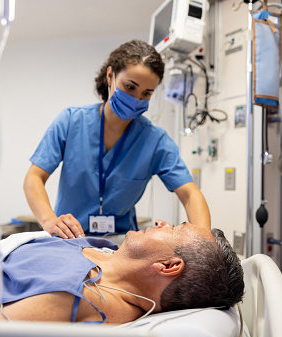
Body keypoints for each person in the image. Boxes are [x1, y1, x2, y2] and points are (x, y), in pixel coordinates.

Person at [23, 40, 211, 239]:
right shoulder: (71, 121)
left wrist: (204, 243)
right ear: (111, 76)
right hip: (69, 238)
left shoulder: (155, 141)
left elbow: (190, 194)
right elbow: (34, 178)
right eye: (130, 87)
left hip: (122, 245)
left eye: (146, 93)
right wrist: (49, 220)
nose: (137, 99)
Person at [0, 221, 244, 324]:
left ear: (168, 266)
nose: (161, 221)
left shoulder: (79, 297)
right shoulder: (107, 253)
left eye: (175, 228)